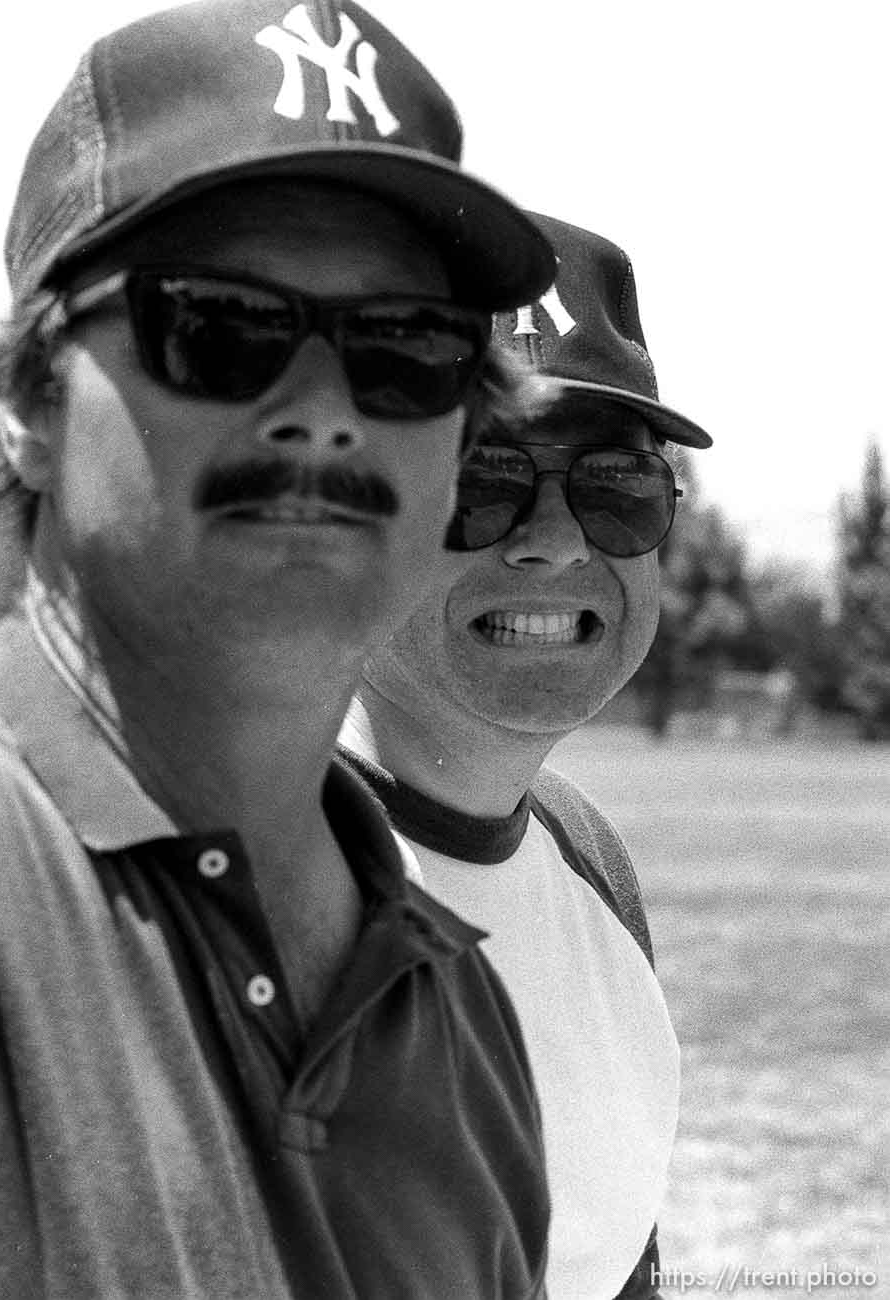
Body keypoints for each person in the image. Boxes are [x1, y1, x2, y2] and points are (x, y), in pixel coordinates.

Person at [0, 2, 561, 1297]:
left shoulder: (461, 1023)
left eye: (404, 349)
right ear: (27, 400)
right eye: (217, 323)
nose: (322, 413)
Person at [339, 213, 714, 1300]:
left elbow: (612, 1262)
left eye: (615, 484)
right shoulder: (230, 866)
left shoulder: (587, 860)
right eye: (477, 476)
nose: (553, 538)